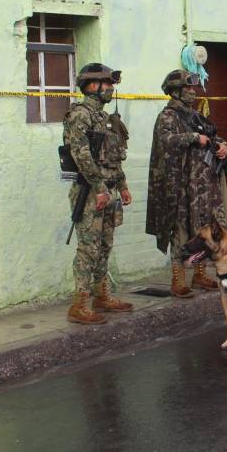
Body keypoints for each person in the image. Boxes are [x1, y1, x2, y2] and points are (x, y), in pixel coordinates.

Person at [145, 69, 227, 298]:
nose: (193, 92)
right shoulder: (168, 116)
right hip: (180, 187)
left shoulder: (195, 116)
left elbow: (211, 135)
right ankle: (178, 279)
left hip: (202, 189)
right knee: (181, 232)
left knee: (202, 230)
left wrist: (222, 145)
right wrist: (193, 138)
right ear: (176, 91)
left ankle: (200, 274)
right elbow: (167, 141)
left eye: (194, 88)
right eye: (188, 88)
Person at [62, 63, 134, 324]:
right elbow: (81, 156)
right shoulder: (80, 115)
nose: (111, 89)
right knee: (88, 248)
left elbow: (112, 158)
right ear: (93, 86)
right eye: (108, 84)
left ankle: (101, 295)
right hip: (91, 191)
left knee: (105, 245)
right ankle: (79, 304)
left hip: (108, 189)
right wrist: (101, 188)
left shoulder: (104, 118)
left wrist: (122, 185)